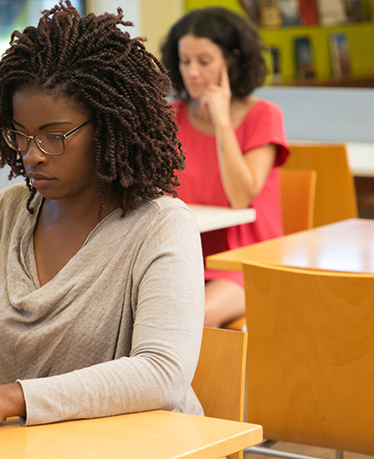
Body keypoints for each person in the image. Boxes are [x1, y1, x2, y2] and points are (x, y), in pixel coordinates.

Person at [0, 1, 205, 430]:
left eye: (54, 137)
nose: (32, 155)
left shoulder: (162, 225)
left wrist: (9, 397)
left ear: (108, 127)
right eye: (21, 135)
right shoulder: (7, 214)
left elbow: (161, 373)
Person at [160, 7, 290, 328]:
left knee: (194, 319)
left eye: (204, 62)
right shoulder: (170, 117)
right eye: (185, 61)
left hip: (248, 261)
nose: (192, 73)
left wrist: (221, 120)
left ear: (231, 60)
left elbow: (240, 196)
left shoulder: (263, 115)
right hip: (184, 258)